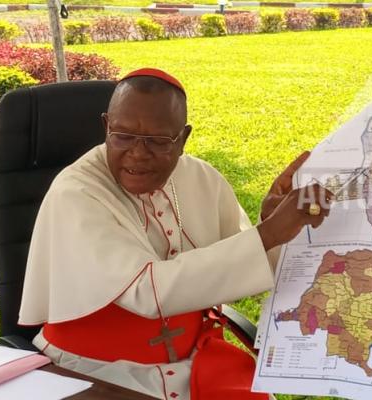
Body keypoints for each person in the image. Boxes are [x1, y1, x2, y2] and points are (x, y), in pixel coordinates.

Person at [18, 68, 332, 400]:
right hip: (94, 372)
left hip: (192, 363)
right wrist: (268, 233)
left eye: (157, 141)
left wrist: (274, 227)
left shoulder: (202, 178)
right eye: (123, 135)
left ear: (182, 139)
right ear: (106, 127)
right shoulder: (77, 190)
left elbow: (240, 264)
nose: (138, 153)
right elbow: (145, 290)